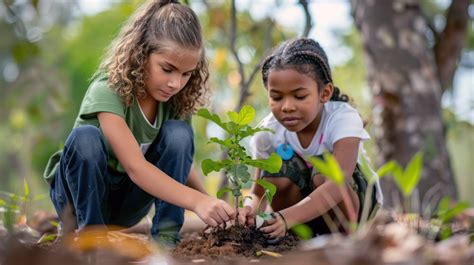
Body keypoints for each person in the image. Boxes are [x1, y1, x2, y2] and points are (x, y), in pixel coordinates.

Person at [43, 0, 235, 245]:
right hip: (78, 198)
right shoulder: (107, 89)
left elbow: (179, 166)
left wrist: (214, 207)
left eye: (186, 74)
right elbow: (135, 167)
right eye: (167, 69)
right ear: (141, 53)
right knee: (85, 139)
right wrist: (198, 202)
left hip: (126, 206)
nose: (175, 83)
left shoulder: (175, 101)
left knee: (179, 134)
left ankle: (166, 238)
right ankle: (91, 238)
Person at [239, 38, 382, 239]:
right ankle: (297, 238)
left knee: (325, 168)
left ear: (324, 93)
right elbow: (258, 192)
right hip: (296, 218)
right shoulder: (267, 133)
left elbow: (338, 184)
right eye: (277, 97)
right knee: (276, 167)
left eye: (299, 96)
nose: (287, 106)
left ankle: (343, 239)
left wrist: (285, 217)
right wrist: (248, 208)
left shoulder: (342, 118)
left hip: (355, 211)